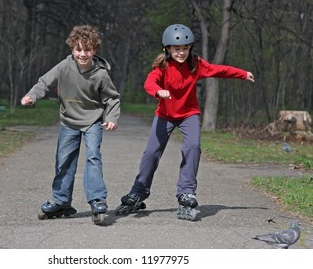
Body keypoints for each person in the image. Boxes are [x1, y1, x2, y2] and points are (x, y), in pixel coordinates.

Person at [115, 23, 254, 220]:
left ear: (190, 48)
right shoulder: (162, 66)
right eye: (177, 49)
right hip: (165, 114)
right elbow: (149, 82)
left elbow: (217, 70)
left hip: (189, 113)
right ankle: (138, 192)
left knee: (193, 147)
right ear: (168, 49)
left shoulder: (195, 64)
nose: (181, 53)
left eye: (185, 48)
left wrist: (242, 73)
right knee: (151, 153)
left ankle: (186, 192)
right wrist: (158, 91)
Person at [21, 25, 120, 224]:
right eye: (78, 49)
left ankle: (97, 200)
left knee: (93, 157)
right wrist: (32, 95)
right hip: (69, 121)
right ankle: (61, 200)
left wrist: (111, 118)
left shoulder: (100, 74)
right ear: (72, 49)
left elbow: (112, 98)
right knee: (64, 161)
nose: (83, 54)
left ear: (94, 50)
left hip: (93, 121)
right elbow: (44, 82)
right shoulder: (64, 66)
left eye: (88, 50)